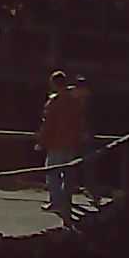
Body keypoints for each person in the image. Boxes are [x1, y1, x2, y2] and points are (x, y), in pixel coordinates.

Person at [38, 72, 92, 218]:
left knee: (52, 173)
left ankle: (56, 202)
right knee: (68, 174)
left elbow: (48, 124)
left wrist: (41, 141)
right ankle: (66, 202)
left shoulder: (55, 101)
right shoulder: (75, 101)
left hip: (56, 142)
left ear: (54, 84)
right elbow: (80, 121)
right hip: (72, 142)